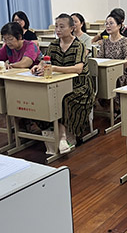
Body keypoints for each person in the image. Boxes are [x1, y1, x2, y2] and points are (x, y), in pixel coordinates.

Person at [31, 13, 95, 154]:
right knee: (42, 98)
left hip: (79, 85)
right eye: (56, 26)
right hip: (57, 83)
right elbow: (45, 60)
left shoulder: (79, 45)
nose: (58, 30)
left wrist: (54, 68)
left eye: (62, 26)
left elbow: (78, 69)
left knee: (64, 99)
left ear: (71, 28)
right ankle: (50, 131)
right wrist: (39, 66)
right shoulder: (54, 44)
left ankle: (63, 136)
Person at [97, 9, 127, 112]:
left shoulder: (125, 41)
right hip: (108, 71)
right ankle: (106, 107)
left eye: (111, 23)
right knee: (97, 78)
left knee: (115, 79)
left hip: (123, 73)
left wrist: (116, 71)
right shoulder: (105, 42)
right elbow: (99, 58)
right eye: (106, 24)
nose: (108, 26)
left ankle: (116, 107)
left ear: (119, 26)